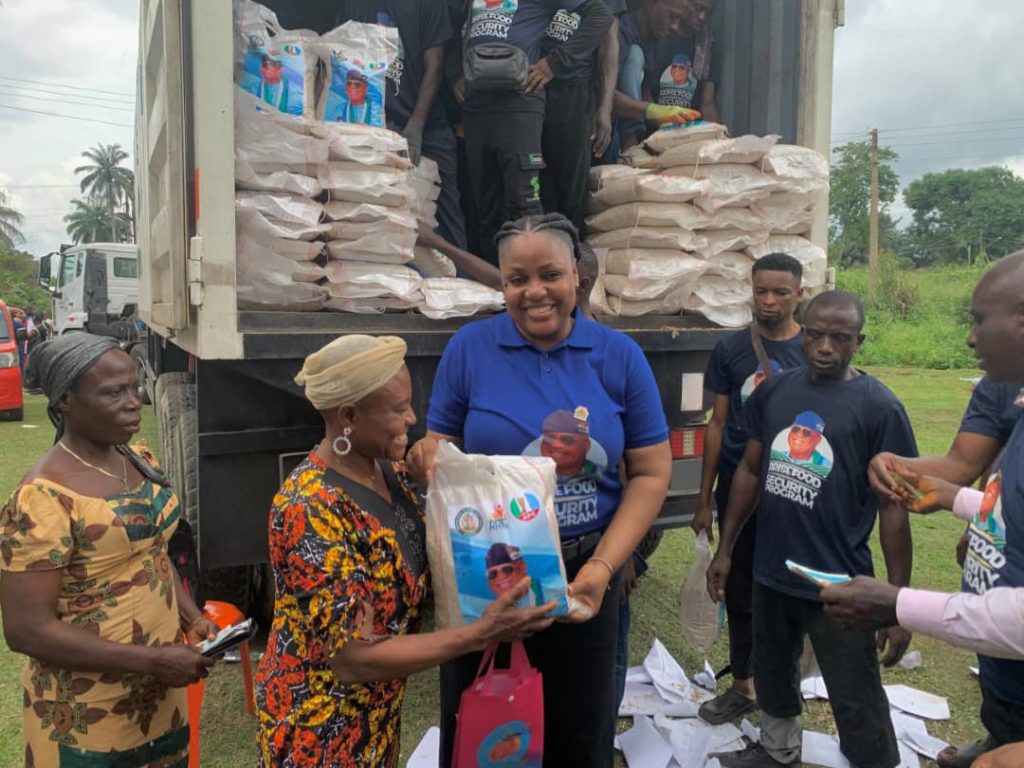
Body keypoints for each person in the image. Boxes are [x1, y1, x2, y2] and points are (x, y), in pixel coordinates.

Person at [408, 212, 672, 767]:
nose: (534, 293)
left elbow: (650, 473)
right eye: (515, 279)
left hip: (584, 584)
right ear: (501, 283)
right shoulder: (470, 349)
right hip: (489, 585)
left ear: (576, 275)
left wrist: (602, 570)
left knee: (582, 736)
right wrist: (426, 457)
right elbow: (441, 454)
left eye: (549, 274)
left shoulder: (619, 356)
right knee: (486, 738)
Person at [254, 334, 555, 768]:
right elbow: (354, 659)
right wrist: (479, 633)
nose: (413, 418)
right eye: (398, 410)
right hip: (318, 728)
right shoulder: (309, 508)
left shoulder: (392, 476)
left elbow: (453, 546)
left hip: (377, 717)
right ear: (350, 416)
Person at [822, 252, 1024, 768]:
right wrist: (956, 498)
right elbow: (986, 485)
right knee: (1003, 714)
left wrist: (899, 603)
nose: (969, 339)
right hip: (1004, 660)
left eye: (980, 321)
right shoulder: (1009, 395)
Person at [705, 290, 916, 768]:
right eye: (816, 335)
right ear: (804, 332)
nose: (825, 347)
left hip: (839, 582)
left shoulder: (879, 407)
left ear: (858, 341)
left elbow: (893, 508)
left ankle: (874, 760)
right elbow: (750, 473)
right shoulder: (775, 392)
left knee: (853, 684)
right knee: (773, 671)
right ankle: (778, 753)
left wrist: (898, 599)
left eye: (839, 338)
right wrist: (727, 549)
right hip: (771, 572)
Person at [0, 333, 218, 766]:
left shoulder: (136, 459)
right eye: (113, 392)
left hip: (159, 700)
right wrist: (152, 661)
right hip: (86, 716)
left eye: (135, 388)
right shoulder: (43, 498)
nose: (134, 400)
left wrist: (192, 618)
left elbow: (153, 554)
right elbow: (26, 630)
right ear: (65, 400)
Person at [693, 253, 806, 726]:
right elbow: (717, 423)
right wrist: (704, 498)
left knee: (789, 592)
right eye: (761, 290)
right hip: (739, 493)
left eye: (780, 291)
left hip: (796, 496)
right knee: (736, 588)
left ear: (799, 292)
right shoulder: (732, 350)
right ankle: (742, 685)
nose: (770, 300)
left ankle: (783, 687)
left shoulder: (814, 348)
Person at [460, 0, 613, 264]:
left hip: (520, 104)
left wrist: (555, 63)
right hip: (477, 108)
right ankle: (497, 294)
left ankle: (536, 289)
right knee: (486, 210)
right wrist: (454, 76)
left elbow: (600, 16)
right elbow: (458, 33)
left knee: (525, 205)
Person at [330, 0, 470, 251]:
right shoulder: (354, 5)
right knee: (375, 212)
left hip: (427, 128)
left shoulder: (428, 5)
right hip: (373, 125)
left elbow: (435, 67)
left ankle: (461, 282)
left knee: (446, 216)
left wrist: (415, 125)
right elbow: (340, 60)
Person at [868, 374, 1020, 568]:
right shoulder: (998, 382)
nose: (971, 342)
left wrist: (956, 500)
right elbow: (963, 464)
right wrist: (892, 464)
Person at [539, 0, 625, 232]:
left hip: (575, 92)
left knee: (571, 192)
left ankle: (568, 260)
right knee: (532, 186)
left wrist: (605, 108)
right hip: (530, 84)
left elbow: (609, 45)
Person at [611, 0, 708, 154]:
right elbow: (605, 96)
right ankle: (629, 142)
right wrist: (652, 110)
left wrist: (669, 122)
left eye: (679, 20)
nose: (674, 26)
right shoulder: (621, 32)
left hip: (618, 131)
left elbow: (645, 92)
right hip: (600, 128)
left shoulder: (652, 41)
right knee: (635, 54)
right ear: (651, 3)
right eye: (672, 16)